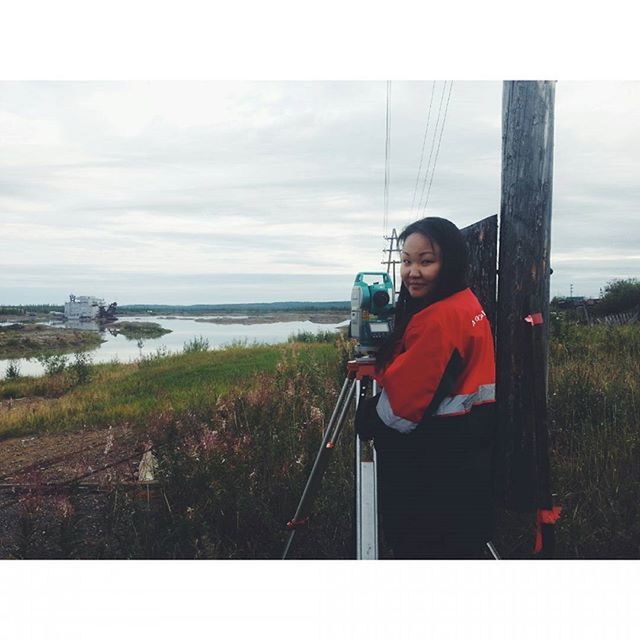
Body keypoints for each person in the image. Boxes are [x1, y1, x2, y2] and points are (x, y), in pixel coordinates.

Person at [355, 216, 496, 559]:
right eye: (406, 261)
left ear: (449, 263)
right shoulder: (464, 302)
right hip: (465, 461)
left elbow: (401, 410)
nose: (412, 271)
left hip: (433, 472)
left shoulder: (440, 319)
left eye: (426, 261)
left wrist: (367, 417)